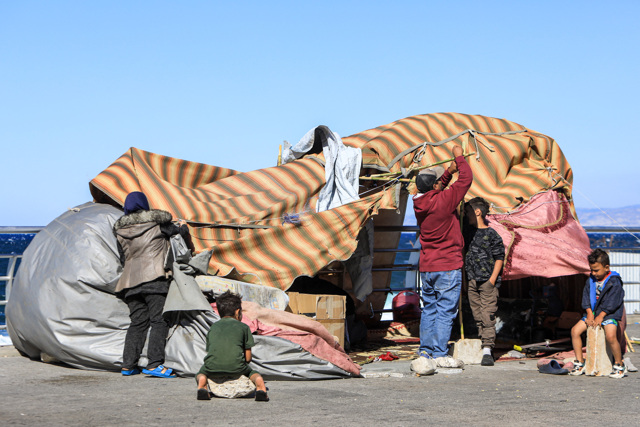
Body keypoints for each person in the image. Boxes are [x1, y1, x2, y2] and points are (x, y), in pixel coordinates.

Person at [114, 191, 190, 378]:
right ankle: (155, 363)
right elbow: (178, 235)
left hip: (129, 283)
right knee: (159, 321)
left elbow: (123, 257)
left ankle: (128, 365)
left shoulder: (120, 231)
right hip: (155, 278)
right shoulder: (158, 224)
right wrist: (184, 228)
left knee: (137, 322)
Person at [413, 144, 472, 367]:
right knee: (446, 310)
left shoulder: (420, 202)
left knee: (429, 309)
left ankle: (425, 352)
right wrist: (459, 156)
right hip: (447, 265)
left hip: (427, 266)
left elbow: (436, 188)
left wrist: (448, 171)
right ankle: (439, 353)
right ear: (436, 186)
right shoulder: (444, 201)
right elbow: (466, 180)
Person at [196, 291, 269, 401]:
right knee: (253, 373)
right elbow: (248, 358)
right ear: (238, 312)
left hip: (211, 367)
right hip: (237, 368)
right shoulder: (244, 327)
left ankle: (202, 384)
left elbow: (210, 351)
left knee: (201, 373)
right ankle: (260, 387)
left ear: (219, 313)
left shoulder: (213, 327)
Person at [570, 248, 626, 378]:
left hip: (609, 314)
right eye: (591, 270)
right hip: (593, 313)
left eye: (596, 270)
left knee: (611, 335)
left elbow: (613, 302)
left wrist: (601, 315)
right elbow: (585, 297)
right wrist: (589, 313)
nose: (593, 273)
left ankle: (619, 365)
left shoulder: (614, 282)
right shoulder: (590, 280)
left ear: (606, 267)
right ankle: (580, 362)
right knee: (575, 331)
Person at [463, 197, 504, 366]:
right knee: (477, 314)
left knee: (488, 315)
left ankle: (488, 349)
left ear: (477, 212)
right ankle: (483, 342)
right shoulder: (468, 233)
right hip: (472, 280)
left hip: (487, 281)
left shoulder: (491, 234)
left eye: (467, 213)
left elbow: (499, 257)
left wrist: (492, 280)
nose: (466, 216)